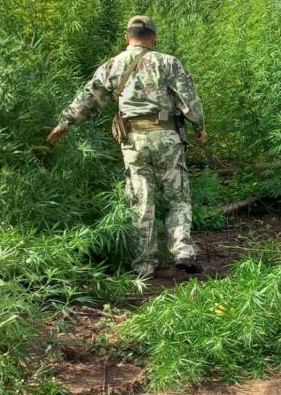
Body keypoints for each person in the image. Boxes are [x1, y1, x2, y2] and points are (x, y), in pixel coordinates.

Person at [46, 15, 207, 278]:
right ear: (153, 39)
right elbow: (189, 100)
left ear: (127, 38)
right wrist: (199, 127)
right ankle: (182, 250)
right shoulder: (168, 62)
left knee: (141, 199)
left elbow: (90, 96)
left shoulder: (113, 65)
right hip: (167, 137)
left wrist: (65, 123)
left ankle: (144, 264)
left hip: (133, 141)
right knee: (177, 195)